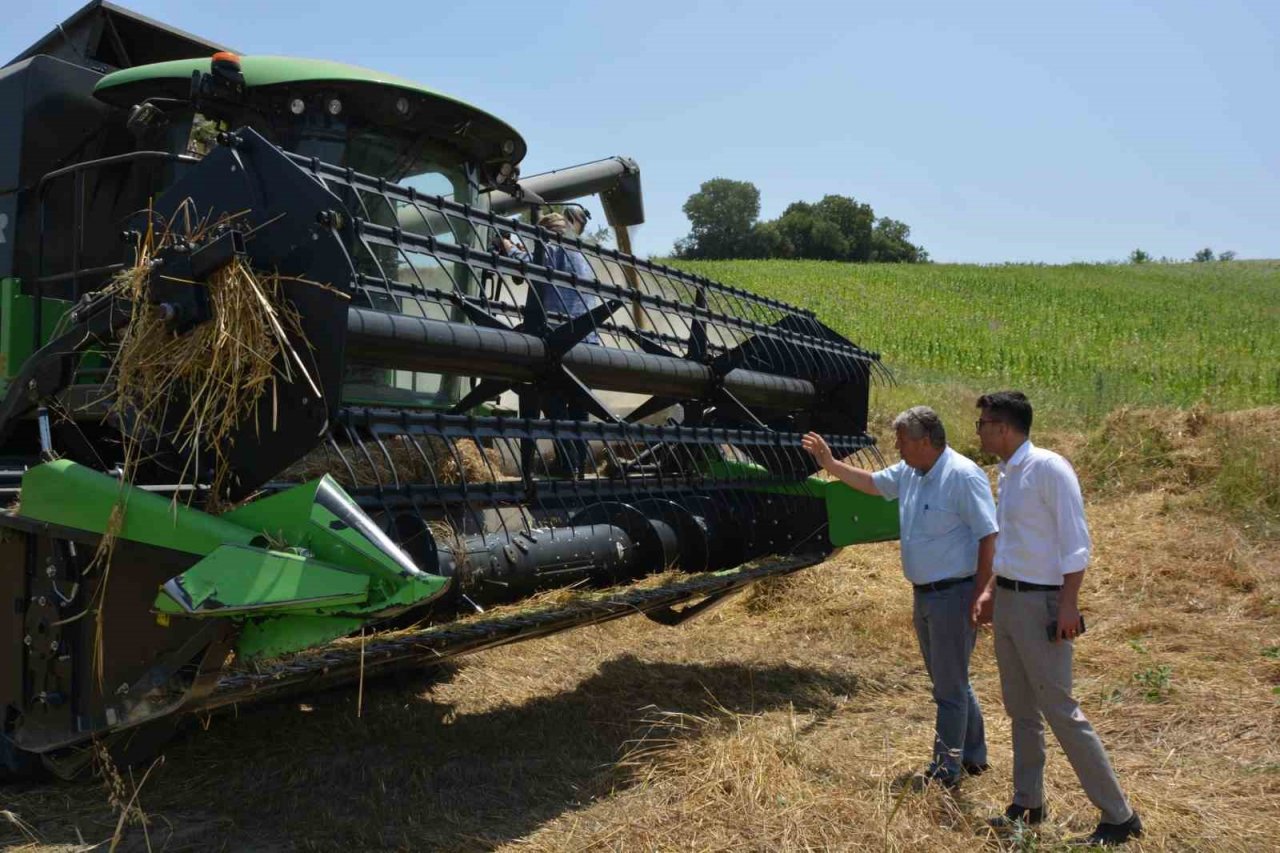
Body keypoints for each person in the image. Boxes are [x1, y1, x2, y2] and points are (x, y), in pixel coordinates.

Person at [972, 391, 1142, 846]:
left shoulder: (1048, 468)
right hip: (1009, 600)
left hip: (1042, 604)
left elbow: (1076, 542)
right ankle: (1028, 803)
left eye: (983, 423)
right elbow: (1011, 542)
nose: (979, 431)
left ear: (1003, 427)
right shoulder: (1008, 473)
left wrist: (1069, 603)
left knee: (1061, 710)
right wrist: (991, 590)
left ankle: (1119, 815)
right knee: (1019, 709)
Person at [803, 406, 997, 788]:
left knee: (948, 688)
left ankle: (945, 772)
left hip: (954, 594)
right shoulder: (911, 473)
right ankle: (974, 755)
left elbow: (989, 535)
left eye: (902, 441)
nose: (897, 447)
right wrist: (829, 463)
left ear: (926, 441)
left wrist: (983, 592)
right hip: (925, 595)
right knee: (951, 679)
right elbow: (872, 483)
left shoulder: (962, 476)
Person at [502, 208, 601, 475]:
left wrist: (508, 246)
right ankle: (579, 466)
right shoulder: (580, 257)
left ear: (545, 233)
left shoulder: (551, 248)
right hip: (589, 343)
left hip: (560, 342)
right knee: (579, 408)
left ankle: (566, 466)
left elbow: (530, 266)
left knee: (553, 402)